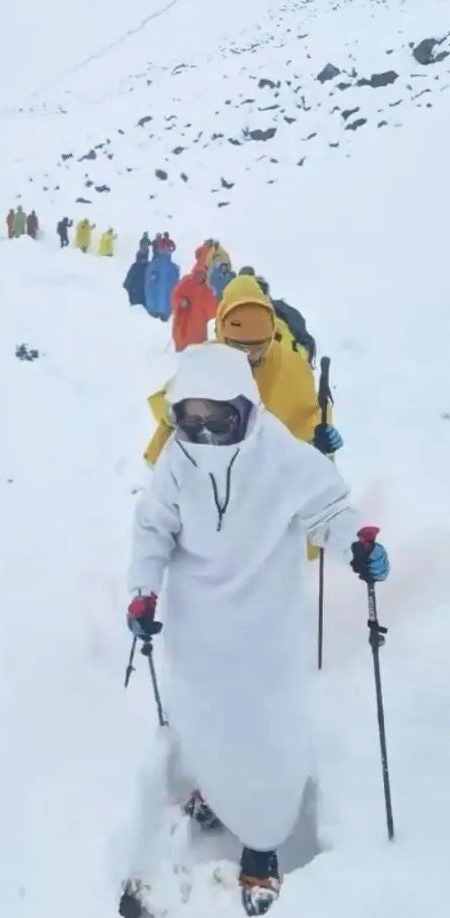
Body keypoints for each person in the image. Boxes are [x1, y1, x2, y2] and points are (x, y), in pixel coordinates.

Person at [126, 343, 389, 916]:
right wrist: (143, 591)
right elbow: (153, 529)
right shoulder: (177, 459)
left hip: (265, 627)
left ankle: (263, 844)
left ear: (243, 405)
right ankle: (219, 795)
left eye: (215, 414)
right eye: (190, 415)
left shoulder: (280, 455)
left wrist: (357, 546)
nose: (204, 427)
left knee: (264, 734)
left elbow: (327, 512)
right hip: (198, 626)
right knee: (207, 720)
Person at [143, 276, 342, 466]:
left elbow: (310, 421)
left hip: (272, 481)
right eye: (239, 347)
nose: (249, 355)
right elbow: (168, 401)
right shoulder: (207, 362)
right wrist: (178, 413)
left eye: (258, 346)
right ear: (221, 330)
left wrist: (322, 441)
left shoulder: (293, 367)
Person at [170, 268, 217, 352]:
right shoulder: (186, 281)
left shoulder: (207, 289)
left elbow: (212, 312)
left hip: (198, 331)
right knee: (182, 354)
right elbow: (174, 297)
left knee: (197, 355)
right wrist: (181, 302)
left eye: (204, 273)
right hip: (182, 327)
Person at [144, 250, 180, 321]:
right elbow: (177, 280)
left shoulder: (153, 265)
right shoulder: (174, 267)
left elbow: (149, 280)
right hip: (168, 297)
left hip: (153, 305)